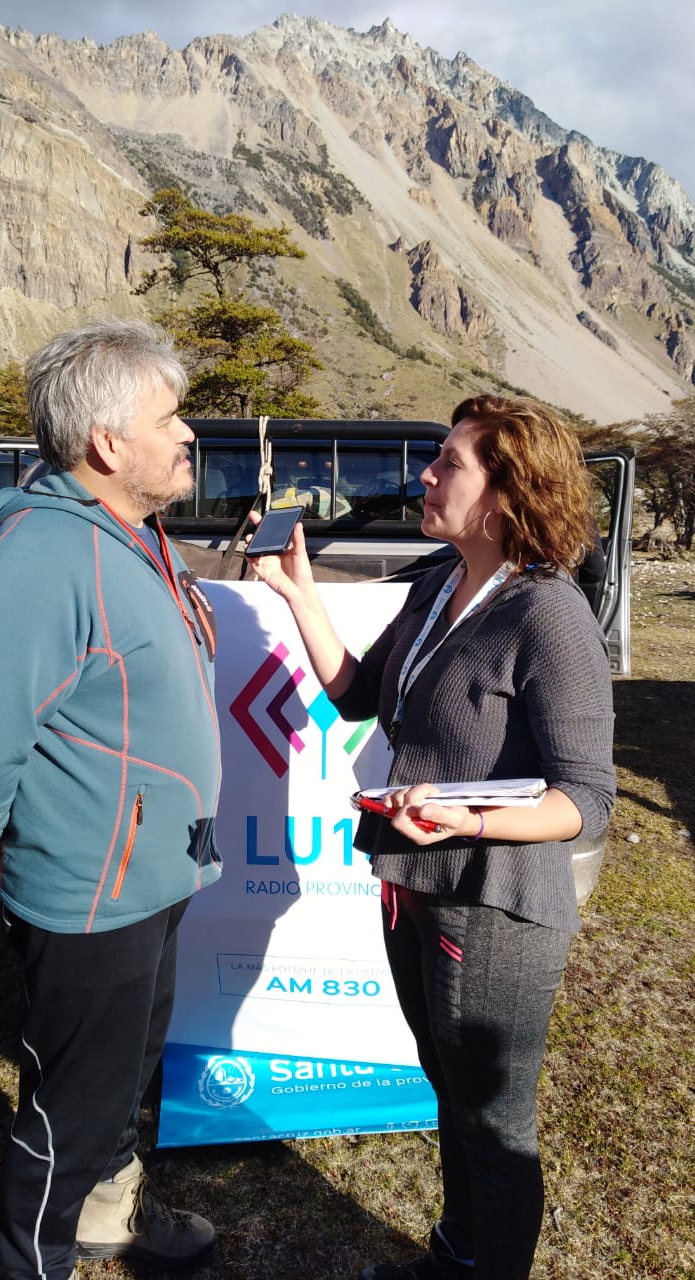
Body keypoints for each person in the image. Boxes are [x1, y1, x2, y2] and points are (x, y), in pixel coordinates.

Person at [249, 394, 615, 1280]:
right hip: (416, 886)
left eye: (448, 463)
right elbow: (355, 695)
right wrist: (298, 593)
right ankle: (456, 1254)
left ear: (504, 493)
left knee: (492, 1117)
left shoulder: (547, 614)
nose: (426, 474)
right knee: (449, 1091)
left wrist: (467, 819)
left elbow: (585, 799)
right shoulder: (435, 581)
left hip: (490, 904)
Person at [0, 320, 223, 1280]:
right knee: (72, 1101)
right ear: (106, 444)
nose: (187, 434)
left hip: (150, 870)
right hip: (93, 892)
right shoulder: (50, 554)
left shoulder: (130, 535)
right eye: (169, 417)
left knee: (124, 1076)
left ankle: (105, 1218)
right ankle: (34, 1262)